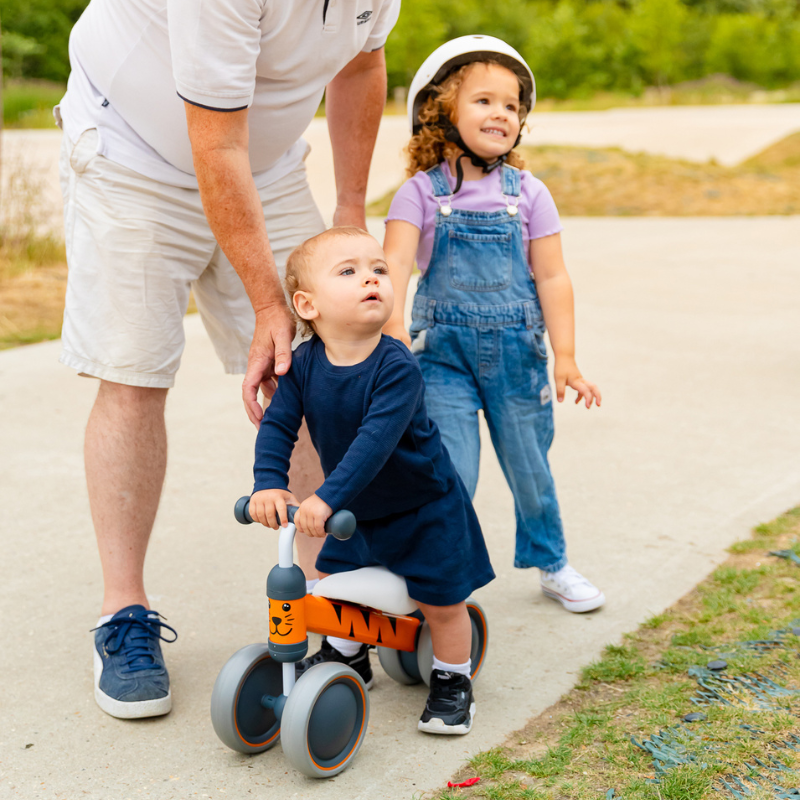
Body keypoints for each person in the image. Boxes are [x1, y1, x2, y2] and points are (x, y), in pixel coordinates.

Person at [57, 0, 401, 719]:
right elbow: (215, 146)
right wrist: (268, 305)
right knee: (134, 373)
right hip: (134, 155)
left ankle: (323, 596)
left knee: (319, 362)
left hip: (266, 163)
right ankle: (124, 615)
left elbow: (362, 64)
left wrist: (347, 210)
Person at [381, 36, 605, 615]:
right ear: (441, 111)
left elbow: (553, 279)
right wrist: (394, 338)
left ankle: (551, 562)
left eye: (512, 105)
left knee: (530, 466)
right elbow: (395, 271)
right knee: (449, 471)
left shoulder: (530, 194)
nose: (501, 113)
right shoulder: (417, 196)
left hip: (518, 357)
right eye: (484, 100)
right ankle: (438, 574)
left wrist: (568, 357)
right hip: (441, 359)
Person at [248, 226, 495, 735]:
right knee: (339, 589)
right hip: (359, 511)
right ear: (307, 305)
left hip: (422, 506)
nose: (371, 279)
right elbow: (278, 425)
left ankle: (452, 681)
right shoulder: (304, 366)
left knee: (442, 602)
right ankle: (347, 656)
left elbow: (373, 444)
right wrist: (269, 484)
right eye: (349, 271)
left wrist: (325, 496)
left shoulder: (395, 366)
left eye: (379, 269)